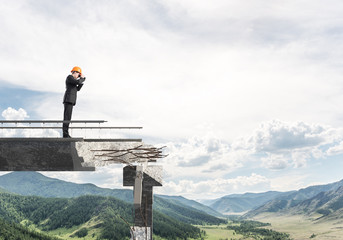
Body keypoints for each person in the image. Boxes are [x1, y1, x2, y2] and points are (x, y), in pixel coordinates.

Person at [62, 66, 86, 138]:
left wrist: (81, 81)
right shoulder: (69, 77)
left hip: (71, 101)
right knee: (66, 117)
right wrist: (82, 79)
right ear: (75, 72)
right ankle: (65, 134)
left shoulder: (74, 81)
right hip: (68, 99)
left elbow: (77, 89)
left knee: (68, 118)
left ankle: (66, 134)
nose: (78, 76)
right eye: (78, 74)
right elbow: (77, 82)